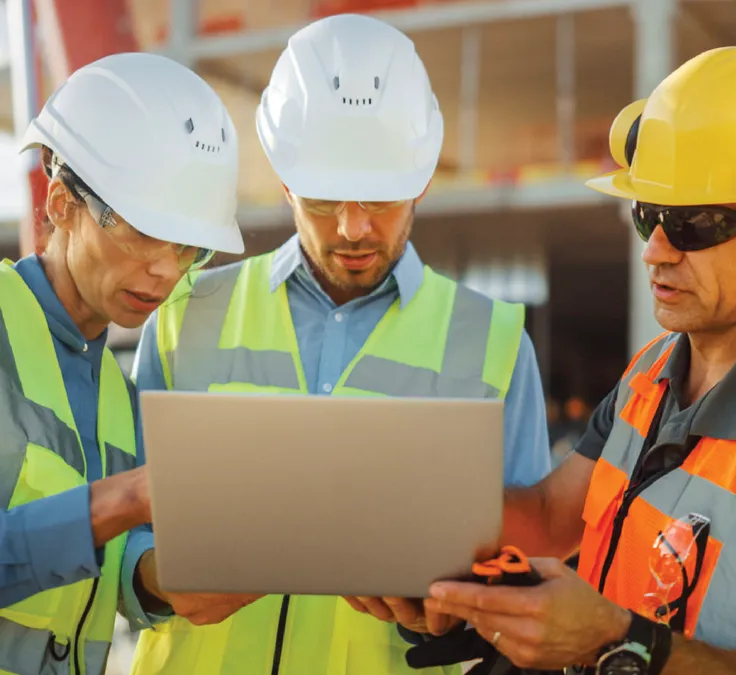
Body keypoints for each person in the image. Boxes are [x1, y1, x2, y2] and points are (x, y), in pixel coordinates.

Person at [354, 46, 736, 674]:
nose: (656, 252)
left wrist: (618, 646)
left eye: (696, 224)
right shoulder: (648, 373)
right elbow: (546, 519)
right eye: (647, 215)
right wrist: (407, 530)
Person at [121, 13, 552, 675]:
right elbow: (117, 539)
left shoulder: (492, 344)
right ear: (286, 182)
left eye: (380, 198)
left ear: (422, 181)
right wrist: (152, 580)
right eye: (323, 199)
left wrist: (470, 597)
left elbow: (533, 561)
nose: (352, 228)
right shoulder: (186, 314)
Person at [0, 52, 243, 674]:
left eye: (189, 247)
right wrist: (125, 498)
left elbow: (111, 572)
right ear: (59, 202)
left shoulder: (117, 392)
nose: (165, 269)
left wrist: (170, 579)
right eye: (141, 231)